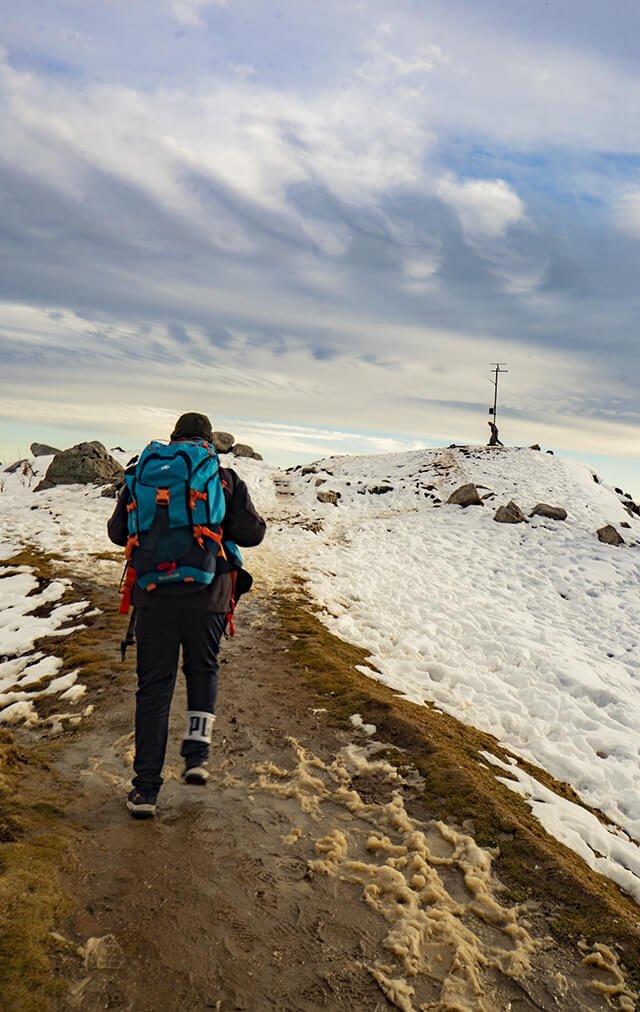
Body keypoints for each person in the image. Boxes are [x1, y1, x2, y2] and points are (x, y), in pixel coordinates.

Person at [107, 412, 266, 818]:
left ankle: (144, 792)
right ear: (209, 441)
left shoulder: (143, 472)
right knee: (202, 670)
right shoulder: (223, 477)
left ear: (174, 437)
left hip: (153, 595)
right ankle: (196, 755)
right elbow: (252, 533)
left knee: (154, 689)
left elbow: (117, 532)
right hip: (208, 595)